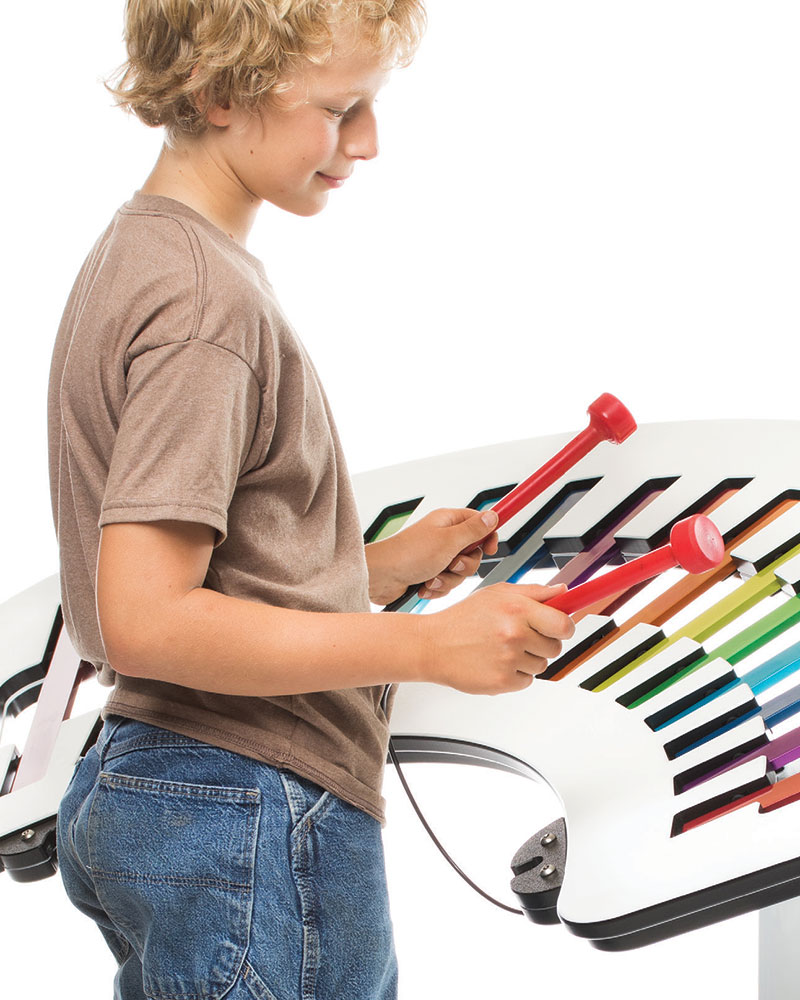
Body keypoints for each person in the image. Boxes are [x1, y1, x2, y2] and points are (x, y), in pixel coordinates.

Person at [49, 2, 575, 998]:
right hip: (240, 796)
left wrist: (368, 568)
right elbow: (145, 616)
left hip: (189, 791)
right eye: (340, 109)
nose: (367, 142)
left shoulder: (150, 257)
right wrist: (426, 646)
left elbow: (208, 562)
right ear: (218, 93)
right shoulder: (204, 308)